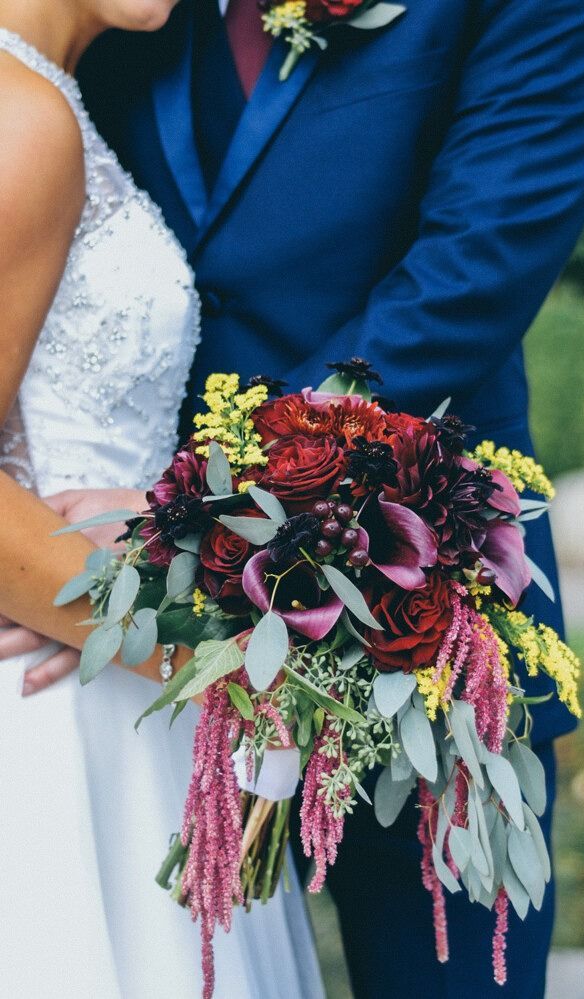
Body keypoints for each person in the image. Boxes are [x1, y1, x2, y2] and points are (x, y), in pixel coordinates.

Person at [2, 0, 584, 995]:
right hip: (130, 683)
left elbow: (466, 282)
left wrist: (187, 526)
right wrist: (57, 564)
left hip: (417, 620)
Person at [0, 2, 324, 997]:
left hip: (106, 666)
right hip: (60, 707)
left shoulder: (61, 100)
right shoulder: (23, 118)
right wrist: (228, 658)